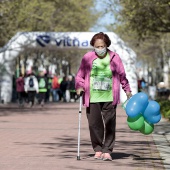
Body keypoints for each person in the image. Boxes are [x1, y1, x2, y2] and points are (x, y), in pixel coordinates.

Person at [75, 32, 132, 161]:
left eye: (102, 46)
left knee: (110, 124)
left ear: (107, 45)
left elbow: (122, 75)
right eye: (97, 46)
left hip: (109, 96)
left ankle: (107, 150)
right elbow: (80, 75)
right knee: (94, 124)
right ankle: (98, 149)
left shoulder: (114, 58)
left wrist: (127, 90)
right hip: (93, 96)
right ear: (93, 46)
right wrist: (79, 86)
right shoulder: (87, 58)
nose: (100, 49)